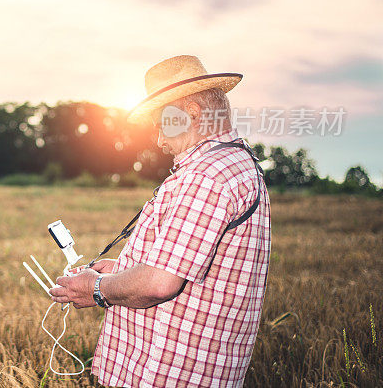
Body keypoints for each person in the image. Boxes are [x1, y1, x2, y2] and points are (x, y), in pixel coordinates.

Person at [49, 55, 271, 387]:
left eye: (163, 123)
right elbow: (179, 262)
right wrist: (124, 267)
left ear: (193, 113)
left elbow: (158, 283)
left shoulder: (207, 176)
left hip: (169, 372)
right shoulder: (235, 162)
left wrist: (96, 289)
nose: (159, 140)